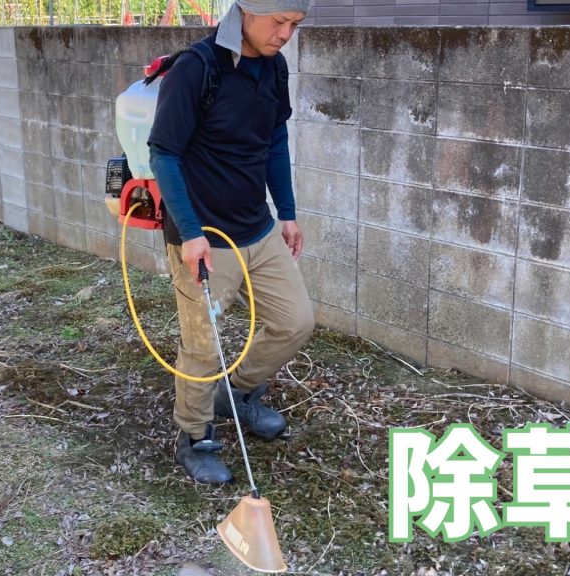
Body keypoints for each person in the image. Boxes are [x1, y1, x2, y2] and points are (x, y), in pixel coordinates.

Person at [147, 0, 314, 484]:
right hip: (204, 236)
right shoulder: (197, 69)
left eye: (295, 25)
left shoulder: (273, 68)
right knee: (202, 346)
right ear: (245, 11)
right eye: (279, 21)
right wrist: (191, 233)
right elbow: (164, 154)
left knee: (295, 321)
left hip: (257, 228)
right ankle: (194, 435)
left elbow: (274, 139)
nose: (285, 34)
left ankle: (235, 393)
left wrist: (287, 212)